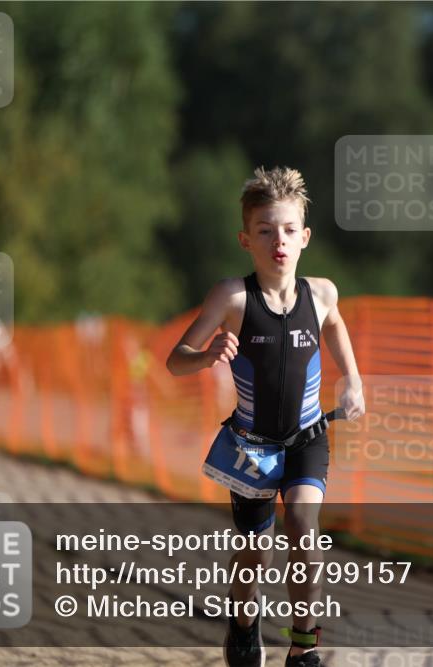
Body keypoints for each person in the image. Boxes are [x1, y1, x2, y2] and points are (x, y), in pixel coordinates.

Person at [167, 166, 365, 667]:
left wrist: (354, 380)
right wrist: (207, 354)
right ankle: (243, 623)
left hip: (306, 437)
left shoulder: (321, 294)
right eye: (265, 231)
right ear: (245, 240)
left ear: (305, 237)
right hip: (251, 447)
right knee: (256, 555)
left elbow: (336, 326)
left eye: (288, 230)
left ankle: (303, 646)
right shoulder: (232, 297)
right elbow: (175, 359)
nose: (278, 241)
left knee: (303, 523)